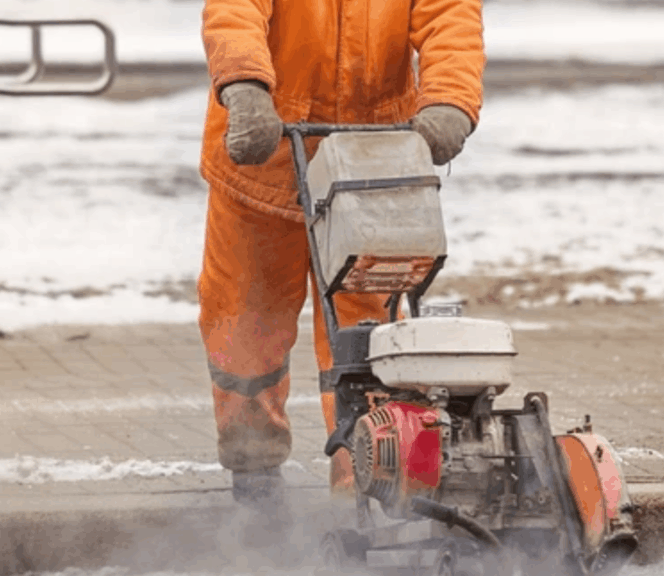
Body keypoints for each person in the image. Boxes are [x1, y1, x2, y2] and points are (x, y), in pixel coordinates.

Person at [198, 0, 485, 505]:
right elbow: (235, 9)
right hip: (264, 163)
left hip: (371, 163)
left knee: (369, 343)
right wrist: (244, 85)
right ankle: (255, 475)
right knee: (245, 330)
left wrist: (451, 101)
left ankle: (367, 485)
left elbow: (451, 16)